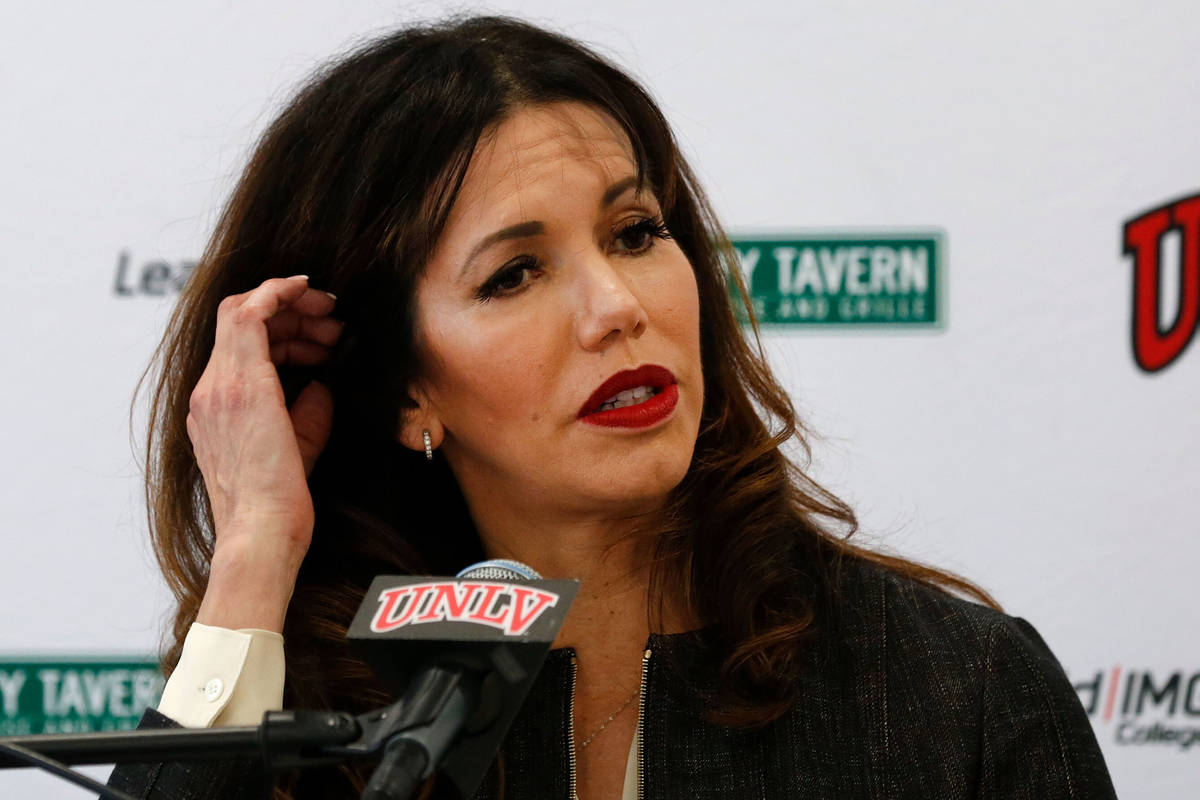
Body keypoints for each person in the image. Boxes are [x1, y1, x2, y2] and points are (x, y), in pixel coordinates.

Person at [110, 15, 1116, 800]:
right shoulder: (335, 718)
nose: (617, 308)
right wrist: (253, 551)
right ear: (409, 385)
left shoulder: (951, 688)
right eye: (514, 274)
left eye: (635, 232)